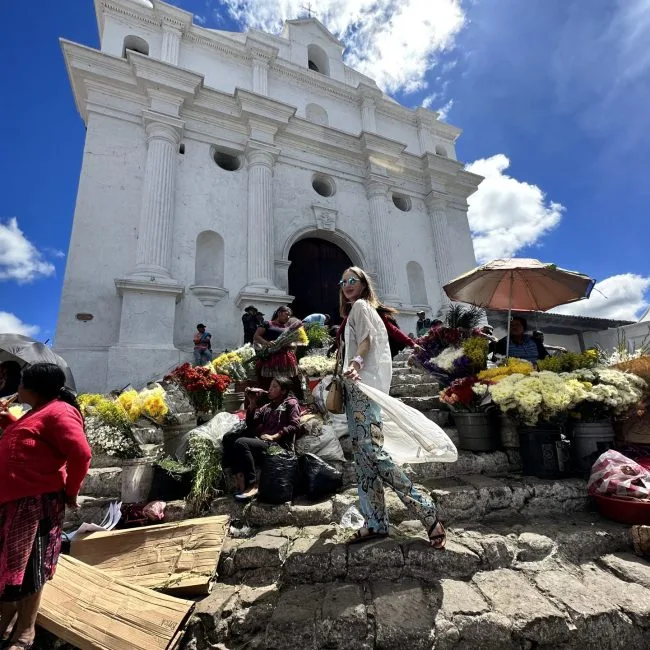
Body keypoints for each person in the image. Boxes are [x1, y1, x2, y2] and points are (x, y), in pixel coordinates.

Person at [338, 266, 446, 548]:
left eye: (353, 280)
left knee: (373, 454)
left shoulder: (361, 306)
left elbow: (366, 342)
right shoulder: (356, 310)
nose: (347, 284)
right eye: (344, 281)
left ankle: (426, 510)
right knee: (363, 460)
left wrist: (354, 364)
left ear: (363, 284)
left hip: (361, 388)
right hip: (355, 390)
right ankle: (375, 522)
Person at [0, 363, 91, 650]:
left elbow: (81, 453)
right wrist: (7, 422)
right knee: (9, 568)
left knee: (31, 569)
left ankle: (26, 631)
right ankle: (7, 621)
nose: (16, 388)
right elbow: (33, 442)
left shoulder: (60, 411)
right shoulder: (38, 412)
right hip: (12, 503)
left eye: (20, 382)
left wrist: (71, 492)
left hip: (35, 505)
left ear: (32, 387)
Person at [224, 378, 301, 502]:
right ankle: (239, 476)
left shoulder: (290, 403)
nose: (270, 389)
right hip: (263, 443)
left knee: (241, 442)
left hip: (278, 446)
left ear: (283, 390)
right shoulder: (268, 407)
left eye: (274, 387)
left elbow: (294, 425)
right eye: (270, 386)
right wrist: (252, 403)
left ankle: (253, 484)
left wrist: (275, 435)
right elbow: (251, 423)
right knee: (229, 438)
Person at [253, 306, 300, 390]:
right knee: (269, 380)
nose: (288, 317)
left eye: (290, 315)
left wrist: (291, 345)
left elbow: (293, 342)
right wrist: (267, 343)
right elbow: (256, 336)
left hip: (285, 359)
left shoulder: (288, 328)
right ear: (279, 313)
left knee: (285, 381)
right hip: (270, 358)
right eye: (287, 314)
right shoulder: (267, 324)